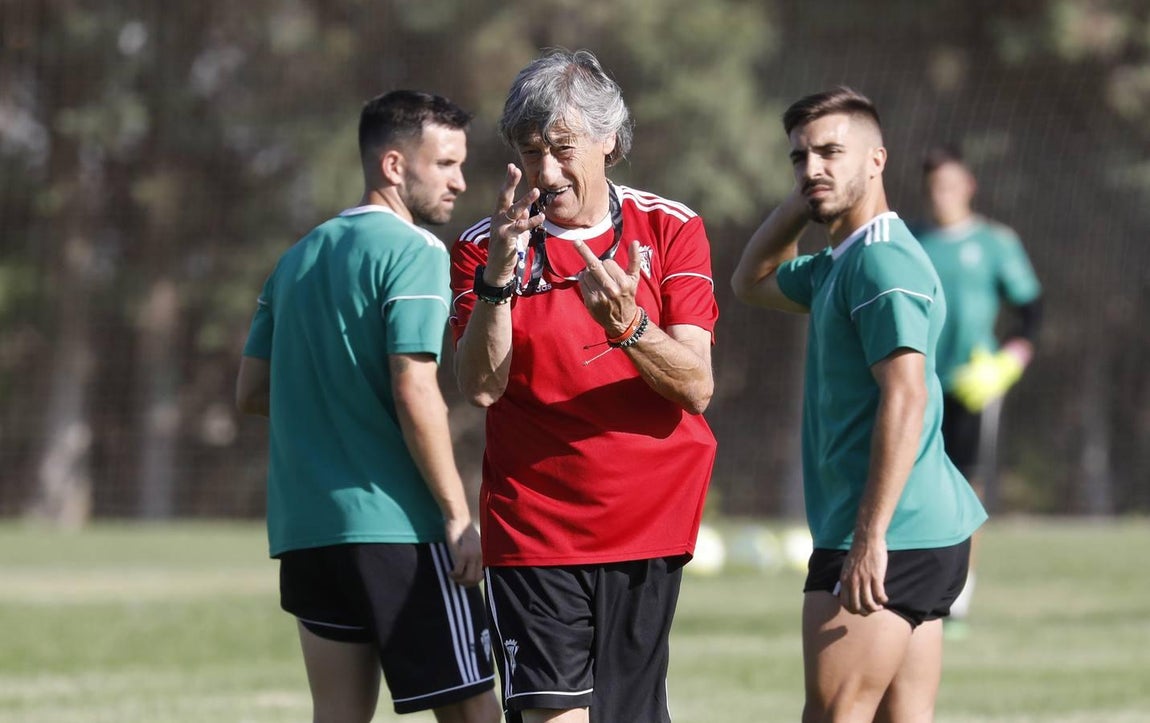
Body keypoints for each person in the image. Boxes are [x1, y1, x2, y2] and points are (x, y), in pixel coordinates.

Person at [450, 48, 718, 723]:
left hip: (649, 522)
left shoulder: (671, 227)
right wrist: (498, 284)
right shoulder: (486, 246)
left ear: (610, 141)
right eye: (530, 150)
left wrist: (629, 327)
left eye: (562, 148)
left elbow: (696, 385)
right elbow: (479, 386)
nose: (546, 170)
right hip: (532, 524)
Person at [235, 90, 500, 723]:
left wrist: (330, 411)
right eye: (445, 165)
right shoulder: (416, 252)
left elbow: (249, 393)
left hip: (307, 533)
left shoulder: (294, 260)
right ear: (392, 166)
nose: (461, 182)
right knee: (473, 715)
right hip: (398, 530)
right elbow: (414, 388)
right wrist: (458, 517)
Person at [731, 87, 988, 722]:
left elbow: (907, 395)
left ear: (877, 160)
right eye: (799, 158)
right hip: (918, 531)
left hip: (886, 536)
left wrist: (869, 539)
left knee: (834, 715)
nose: (812, 167)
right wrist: (808, 194)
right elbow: (750, 281)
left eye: (831, 153)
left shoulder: (882, 263)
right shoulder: (836, 264)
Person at [917, 145, 1043, 633]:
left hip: (972, 388)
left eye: (949, 185)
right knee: (915, 484)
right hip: (916, 384)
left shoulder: (995, 242)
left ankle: (958, 599)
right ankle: (915, 586)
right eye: (933, 187)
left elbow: (1032, 311)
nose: (941, 195)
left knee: (966, 487)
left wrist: (1009, 361)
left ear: (969, 186)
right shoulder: (910, 238)